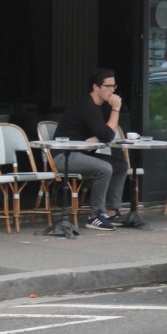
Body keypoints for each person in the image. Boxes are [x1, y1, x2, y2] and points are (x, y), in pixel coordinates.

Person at [53, 68, 130, 231]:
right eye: (108, 86)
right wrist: (116, 109)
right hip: (65, 156)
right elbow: (108, 135)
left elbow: (106, 133)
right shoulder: (86, 106)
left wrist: (99, 137)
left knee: (120, 166)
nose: (112, 90)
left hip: (83, 154)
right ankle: (96, 216)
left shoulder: (102, 106)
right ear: (96, 87)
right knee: (104, 168)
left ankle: (111, 211)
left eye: (114, 86)